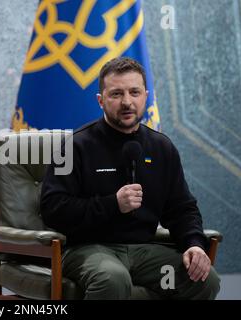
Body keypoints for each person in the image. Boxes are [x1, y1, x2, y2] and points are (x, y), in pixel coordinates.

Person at [40, 57, 220, 300]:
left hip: (144, 252)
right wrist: (113, 204)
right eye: (116, 94)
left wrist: (194, 244)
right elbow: (53, 209)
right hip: (87, 249)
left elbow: (181, 209)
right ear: (101, 101)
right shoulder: (74, 147)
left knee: (204, 279)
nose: (127, 102)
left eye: (134, 92)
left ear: (145, 96)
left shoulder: (161, 147)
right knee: (112, 278)